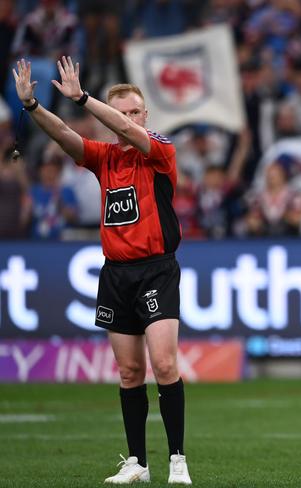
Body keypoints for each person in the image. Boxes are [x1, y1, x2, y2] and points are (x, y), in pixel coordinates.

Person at [13, 57, 192, 485]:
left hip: (156, 270)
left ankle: (178, 460)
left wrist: (84, 98)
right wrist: (34, 105)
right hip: (116, 273)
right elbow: (64, 135)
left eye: (134, 111)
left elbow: (130, 134)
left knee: (164, 365)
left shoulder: (158, 149)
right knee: (129, 372)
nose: (128, 119)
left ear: (146, 115)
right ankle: (137, 463)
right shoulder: (104, 158)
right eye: (123, 112)